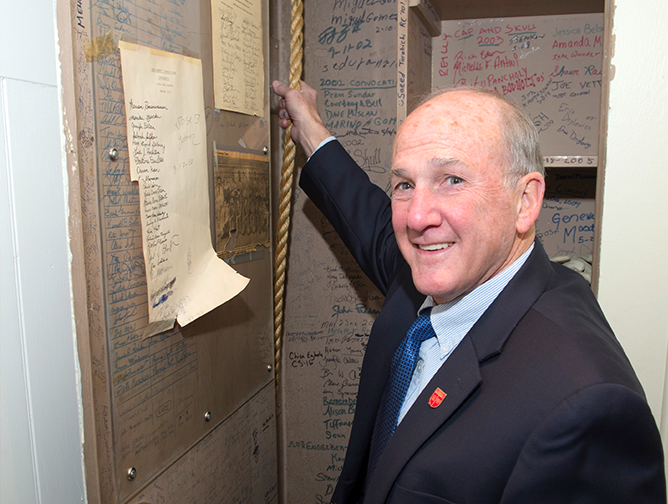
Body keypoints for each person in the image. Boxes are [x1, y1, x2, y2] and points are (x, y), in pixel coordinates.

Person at [272, 80, 666, 504]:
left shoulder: (588, 408)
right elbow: (368, 222)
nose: (417, 217)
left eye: (452, 179)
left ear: (525, 201)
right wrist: (310, 130)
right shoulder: (444, 272)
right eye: (405, 185)